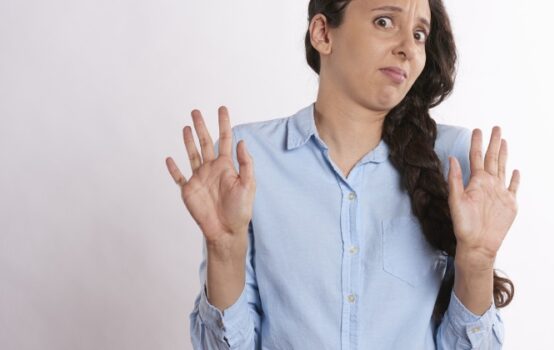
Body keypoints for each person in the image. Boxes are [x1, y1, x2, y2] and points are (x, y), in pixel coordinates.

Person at [165, 0, 521, 348]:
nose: (407, 49)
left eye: (418, 34)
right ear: (322, 33)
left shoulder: (453, 163)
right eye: (384, 21)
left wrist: (477, 260)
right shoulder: (246, 160)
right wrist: (224, 250)